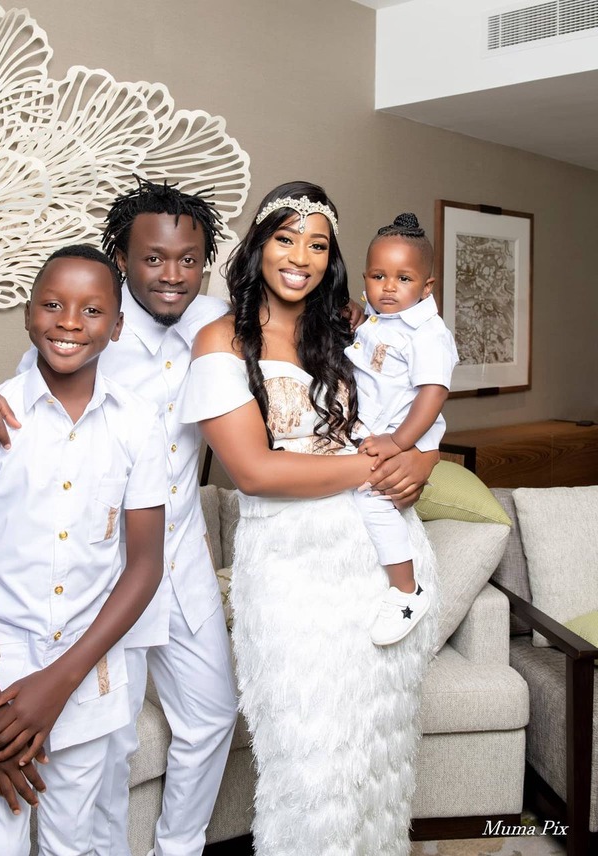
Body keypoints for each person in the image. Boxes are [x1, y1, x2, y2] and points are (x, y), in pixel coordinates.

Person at [0, 180, 433, 856]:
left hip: (181, 556)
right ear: (122, 258)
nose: (171, 275)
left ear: (207, 262)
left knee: (212, 716)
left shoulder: (221, 319)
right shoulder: (93, 323)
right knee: (110, 740)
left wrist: (356, 315)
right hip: (106, 572)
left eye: (188, 260)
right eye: (152, 259)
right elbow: (17, 404)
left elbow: (316, 319)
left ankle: (177, 848)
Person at [179, 181, 439, 856]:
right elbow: (254, 471)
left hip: (380, 564)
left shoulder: (350, 327)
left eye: (318, 244)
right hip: (291, 570)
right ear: (258, 245)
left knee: (376, 753)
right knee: (310, 761)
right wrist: (376, 467)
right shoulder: (221, 340)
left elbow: (423, 396)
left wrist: (422, 459)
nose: (301, 257)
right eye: (286, 238)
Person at [0, 245, 166, 856]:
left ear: (118, 325)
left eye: (92, 310)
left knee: (72, 843)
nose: (69, 322)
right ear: (27, 314)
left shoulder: (139, 423)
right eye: (53, 305)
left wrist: (60, 683)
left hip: (84, 674)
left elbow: (144, 566)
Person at [347, 212, 458, 646]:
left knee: (374, 501)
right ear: (366, 278)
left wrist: (399, 441)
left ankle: (406, 591)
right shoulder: (379, 318)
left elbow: (433, 393)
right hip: (376, 428)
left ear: (427, 287)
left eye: (403, 278)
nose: (389, 287)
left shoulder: (427, 334)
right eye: (379, 276)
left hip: (402, 432)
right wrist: (358, 317)